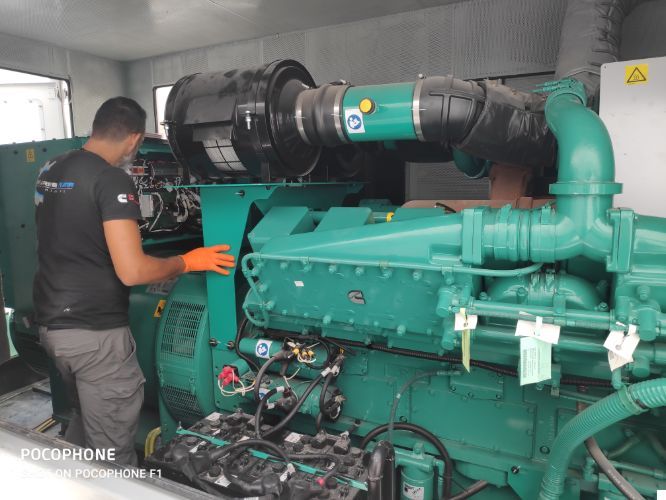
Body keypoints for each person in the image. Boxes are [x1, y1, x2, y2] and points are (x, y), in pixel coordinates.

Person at [33, 97, 234, 465]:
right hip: (95, 335)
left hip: (53, 326)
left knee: (85, 421)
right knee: (113, 453)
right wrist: (188, 261)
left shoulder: (51, 167)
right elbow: (133, 271)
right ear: (135, 139)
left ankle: (74, 479)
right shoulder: (111, 179)